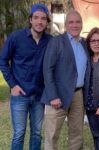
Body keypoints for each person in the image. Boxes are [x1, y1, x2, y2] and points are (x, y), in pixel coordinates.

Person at [0, 3, 52, 150]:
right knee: (19, 133)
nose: (39, 22)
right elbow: (2, 60)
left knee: (36, 133)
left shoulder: (50, 41)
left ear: (47, 22)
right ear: (30, 20)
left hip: (39, 95)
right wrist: (12, 85)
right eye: (36, 18)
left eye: (43, 18)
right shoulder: (16, 37)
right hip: (20, 95)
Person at [41, 10, 89, 150]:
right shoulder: (56, 42)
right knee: (52, 135)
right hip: (58, 95)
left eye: (78, 22)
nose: (75, 25)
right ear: (66, 25)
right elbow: (47, 69)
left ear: (82, 24)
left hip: (78, 95)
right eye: (71, 22)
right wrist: (53, 96)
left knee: (77, 134)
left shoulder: (84, 43)